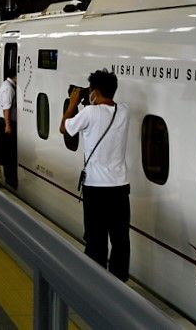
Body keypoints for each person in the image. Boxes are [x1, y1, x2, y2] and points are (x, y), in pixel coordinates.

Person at [60, 69, 130, 282]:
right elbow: (104, 113)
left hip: (96, 188)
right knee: (120, 239)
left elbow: (64, 128)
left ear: (95, 92)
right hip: (120, 188)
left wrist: (72, 103)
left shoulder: (89, 113)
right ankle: (119, 284)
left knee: (96, 239)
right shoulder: (124, 111)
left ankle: (95, 283)